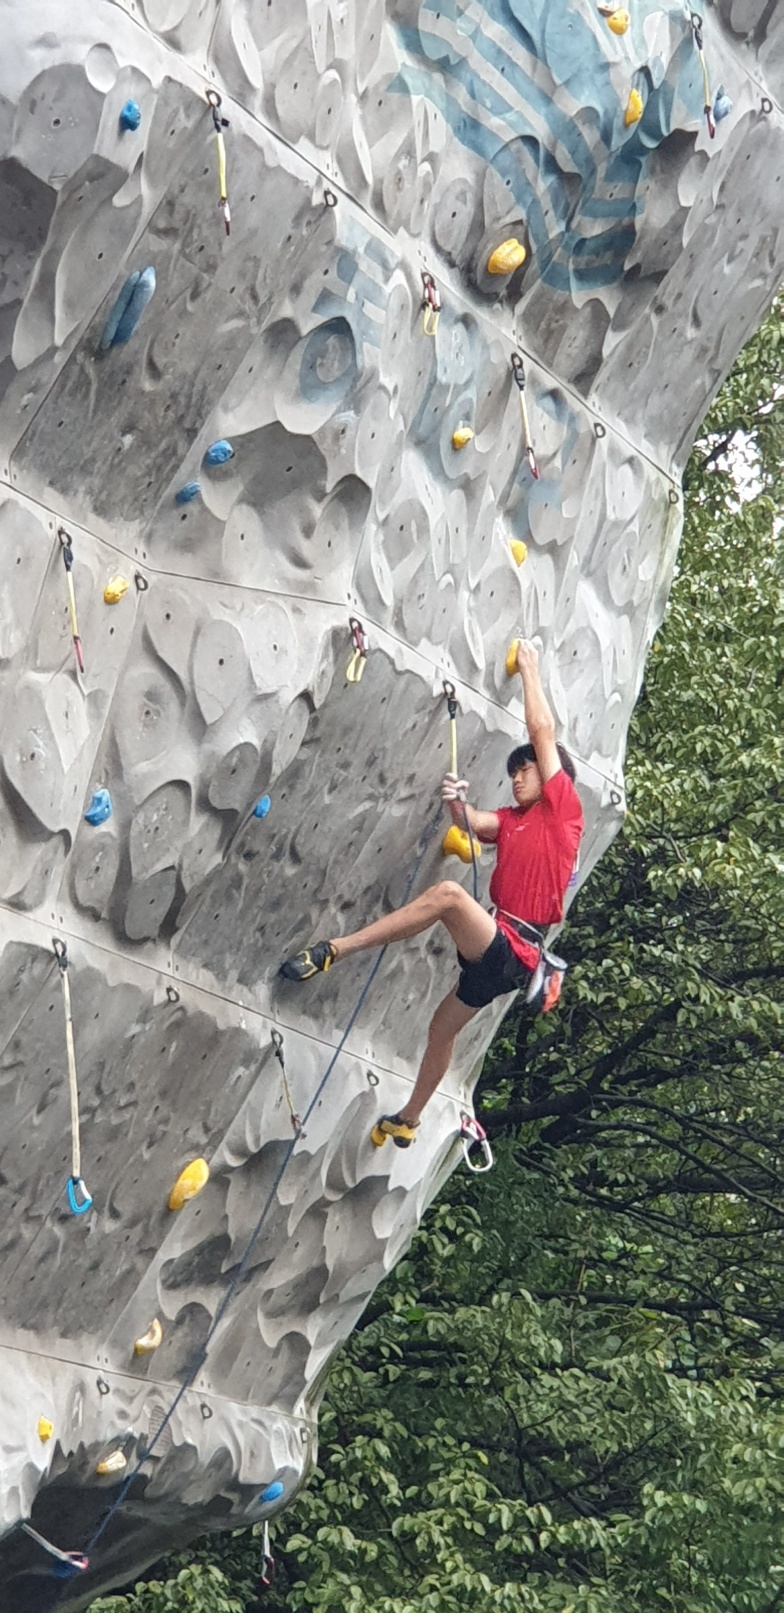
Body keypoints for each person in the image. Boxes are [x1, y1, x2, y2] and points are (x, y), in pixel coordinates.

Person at [279, 640, 584, 1147]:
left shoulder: (564, 811)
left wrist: (530, 668)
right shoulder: (512, 820)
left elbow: (542, 730)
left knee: (448, 896)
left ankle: (336, 949)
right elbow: (473, 822)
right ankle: (408, 1120)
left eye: (525, 770)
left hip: (516, 950)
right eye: (513, 772)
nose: (516, 779)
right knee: (442, 1030)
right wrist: (456, 803)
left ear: (552, 777)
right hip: (497, 954)